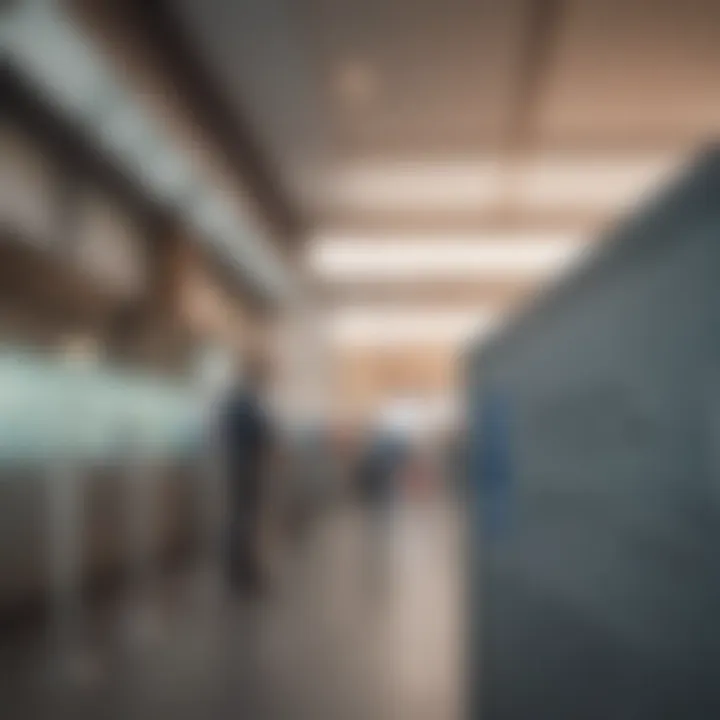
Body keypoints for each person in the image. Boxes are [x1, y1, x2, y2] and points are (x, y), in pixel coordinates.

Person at [219, 353, 273, 594]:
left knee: (244, 517)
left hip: (243, 465)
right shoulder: (244, 401)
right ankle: (241, 569)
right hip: (245, 466)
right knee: (243, 518)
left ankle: (241, 566)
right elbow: (257, 431)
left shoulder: (240, 400)